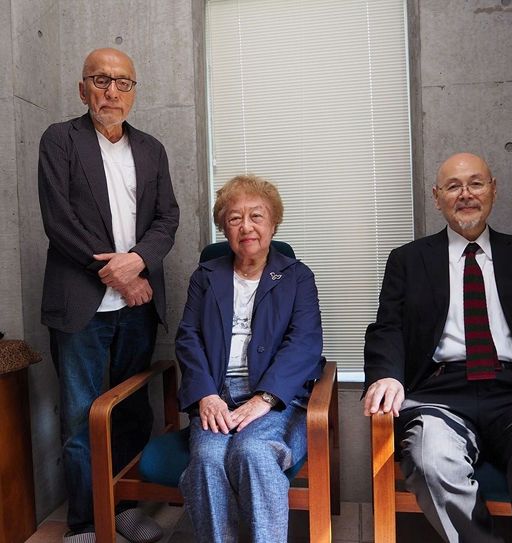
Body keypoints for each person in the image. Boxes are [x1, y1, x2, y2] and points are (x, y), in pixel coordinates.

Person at [363, 152, 512, 543]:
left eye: (475, 183)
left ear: (493, 190)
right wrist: (386, 375)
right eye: (453, 186)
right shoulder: (408, 260)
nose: (465, 194)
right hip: (440, 394)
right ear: (437, 197)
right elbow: (388, 328)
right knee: (430, 459)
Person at [38, 48, 179, 543]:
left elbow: (167, 219)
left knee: (132, 411)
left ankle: (124, 509)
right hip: (81, 307)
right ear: (83, 90)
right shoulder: (60, 140)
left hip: (137, 307)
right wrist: (120, 276)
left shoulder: (152, 149)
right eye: (100, 81)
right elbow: (59, 222)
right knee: (82, 419)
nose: (112, 91)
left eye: (123, 82)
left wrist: (138, 261)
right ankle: (84, 521)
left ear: (134, 92)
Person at [176, 174, 323, 543]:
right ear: (224, 228)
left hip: (274, 394)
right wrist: (206, 395)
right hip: (216, 392)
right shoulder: (205, 277)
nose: (246, 227)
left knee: (253, 451)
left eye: (256, 216)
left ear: (273, 224)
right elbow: (188, 338)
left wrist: (266, 397)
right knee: (207, 460)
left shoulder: (297, 277)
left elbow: (305, 343)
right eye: (234, 218)